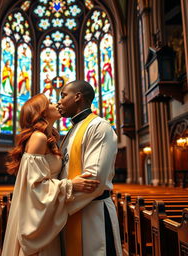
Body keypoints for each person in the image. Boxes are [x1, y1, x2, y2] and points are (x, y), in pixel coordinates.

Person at [1, 93, 100, 256]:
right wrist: (71, 185)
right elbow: (35, 187)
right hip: (38, 216)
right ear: (42, 112)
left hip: (48, 212)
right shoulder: (38, 138)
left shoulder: (50, 138)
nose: (57, 104)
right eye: (51, 103)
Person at [58, 80, 122, 256]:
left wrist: (56, 205)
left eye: (63, 95)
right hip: (72, 212)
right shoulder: (71, 131)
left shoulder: (99, 126)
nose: (59, 101)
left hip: (94, 218)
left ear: (78, 97)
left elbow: (94, 180)